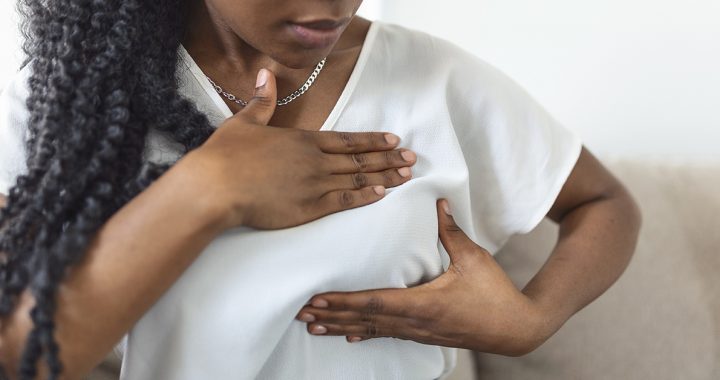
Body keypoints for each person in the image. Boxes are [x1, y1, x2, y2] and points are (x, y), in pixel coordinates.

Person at [0, 0, 642, 379]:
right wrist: (206, 190)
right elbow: (21, 356)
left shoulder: (434, 79)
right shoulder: (70, 98)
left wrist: (532, 319)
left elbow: (604, 204)